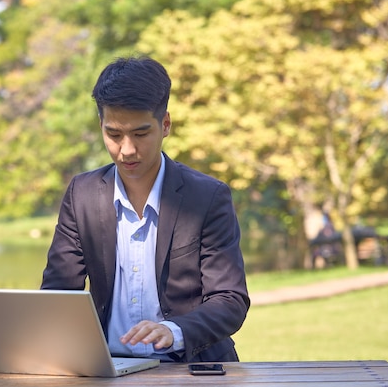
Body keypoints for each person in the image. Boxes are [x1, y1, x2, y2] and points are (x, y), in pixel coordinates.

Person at [41, 56, 250, 363]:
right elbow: (58, 293)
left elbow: (230, 300)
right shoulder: (81, 195)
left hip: (190, 369)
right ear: (100, 126)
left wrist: (174, 330)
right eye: (113, 135)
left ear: (165, 125)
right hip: (107, 370)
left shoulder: (207, 196)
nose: (126, 150)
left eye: (140, 134)